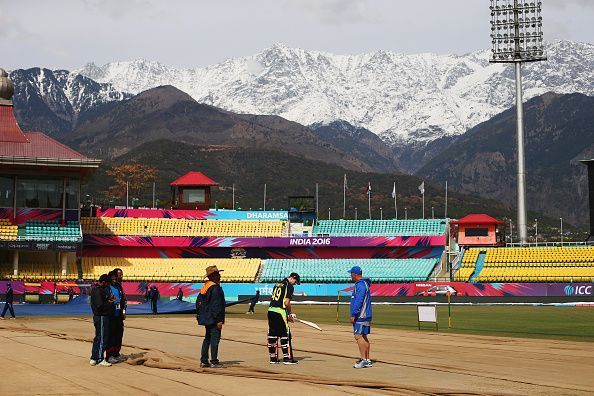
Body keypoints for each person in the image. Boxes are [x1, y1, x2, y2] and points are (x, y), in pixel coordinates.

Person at [196, 265, 226, 368]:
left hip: (207, 318)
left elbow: (198, 303)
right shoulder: (215, 288)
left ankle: (204, 361)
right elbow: (216, 305)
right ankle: (214, 361)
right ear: (213, 276)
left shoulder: (205, 287)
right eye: (218, 274)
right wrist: (219, 320)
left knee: (207, 339)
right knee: (215, 340)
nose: (220, 275)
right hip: (213, 318)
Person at [267, 273, 300, 365]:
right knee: (285, 334)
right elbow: (286, 302)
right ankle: (287, 359)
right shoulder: (289, 286)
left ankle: (273, 358)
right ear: (292, 278)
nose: (295, 284)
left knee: (272, 334)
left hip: (270, 310)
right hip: (280, 312)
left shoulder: (277, 284)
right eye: (295, 282)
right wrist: (289, 313)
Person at [349, 266, 373, 369]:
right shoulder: (364, 284)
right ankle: (367, 359)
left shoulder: (360, 285)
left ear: (355, 274)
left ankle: (363, 360)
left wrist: (354, 314)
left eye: (351, 274)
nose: (350, 275)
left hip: (361, 315)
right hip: (366, 314)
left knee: (358, 336)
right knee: (363, 336)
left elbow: (359, 301)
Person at [90, 274, 115, 366]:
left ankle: (94, 357)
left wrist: (108, 299)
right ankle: (100, 358)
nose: (108, 285)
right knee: (102, 338)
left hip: (100, 316)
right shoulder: (97, 291)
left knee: (98, 337)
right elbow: (100, 306)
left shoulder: (100, 290)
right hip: (101, 317)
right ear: (103, 282)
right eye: (107, 284)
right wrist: (110, 302)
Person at [106, 269, 127, 364]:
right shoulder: (107, 287)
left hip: (119, 315)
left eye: (122, 275)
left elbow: (124, 300)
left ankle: (116, 354)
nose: (121, 277)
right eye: (119, 275)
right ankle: (109, 355)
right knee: (111, 335)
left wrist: (123, 311)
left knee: (119, 335)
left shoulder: (119, 287)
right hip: (110, 315)